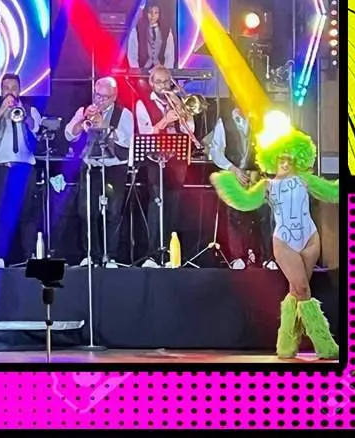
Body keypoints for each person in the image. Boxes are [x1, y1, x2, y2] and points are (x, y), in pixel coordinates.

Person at [211, 128, 340, 360]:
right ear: (272, 158)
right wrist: (226, 183)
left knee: (297, 290)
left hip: (310, 238)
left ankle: (286, 345)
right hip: (284, 241)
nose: (285, 162)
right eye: (281, 158)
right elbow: (244, 202)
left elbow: (332, 192)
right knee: (302, 290)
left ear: (297, 157)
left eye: (289, 158)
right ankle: (325, 343)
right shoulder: (267, 186)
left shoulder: (305, 180)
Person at [65, 77, 134, 266]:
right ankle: (90, 254)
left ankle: (110, 256)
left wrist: (104, 124)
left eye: (105, 97)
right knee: (87, 212)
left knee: (113, 212)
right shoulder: (84, 110)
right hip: (90, 167)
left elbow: (126, 141)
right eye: (97, 95)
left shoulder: (124, 114)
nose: (100, 100)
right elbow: (69, 134)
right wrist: (83, 121)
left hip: (114, 167)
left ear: (114, 96)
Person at [0, 73, 42, 268]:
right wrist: (1, 111)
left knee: (27, 213)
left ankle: (30, 256)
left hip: (24, 168)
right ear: (1, 91)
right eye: (6, 88)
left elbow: (36, 128)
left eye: (14, 88)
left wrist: (23, 116)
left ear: (20, 90)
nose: (10, 92)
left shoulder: (30, 110)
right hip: (2, 168)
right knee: (1, 214)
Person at [133, 66, 192, 267]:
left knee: (173, 206)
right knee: (156, 204)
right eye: (158, 82)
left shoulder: (177, 101)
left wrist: (183, 113)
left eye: (166, 81)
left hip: (176, 159)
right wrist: (165, 120)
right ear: (151, 83)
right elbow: (145, 132)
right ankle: (152, 253)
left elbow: (190, 130)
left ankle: (170, 253)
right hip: (154, 159)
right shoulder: (143, 104)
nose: (163, 86)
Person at [207, 103, 277, 270]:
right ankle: (238, 257)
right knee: (236, 217)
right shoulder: (224, 121)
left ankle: (267, 257)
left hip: (257, 177)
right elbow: (216, 151)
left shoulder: (260, 121)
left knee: (265, 215)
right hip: (234, 175)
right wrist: (233, 169)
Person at [127, 0, 176, 71]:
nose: (153, 16)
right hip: (142, 69)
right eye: (150, 12)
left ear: (159, 14)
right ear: (146, 13)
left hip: (160, 70)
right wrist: (137, 72)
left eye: (156, 13)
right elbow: (132, 55)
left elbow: (170, 55)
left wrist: (165, 72)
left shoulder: (166, 31)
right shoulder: (137, 30)